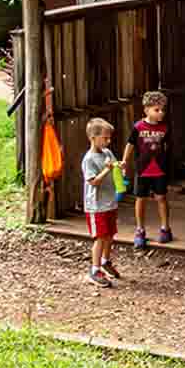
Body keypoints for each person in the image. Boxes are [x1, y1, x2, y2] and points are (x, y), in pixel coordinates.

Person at [123, 90, 175, 246]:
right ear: (146, 110)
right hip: (142, 169)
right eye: (157, 110)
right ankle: (140, 230)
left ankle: (165, 228)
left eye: (162, 110)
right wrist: (125, 160)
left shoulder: (165, 128)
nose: (161, 113)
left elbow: (167, 147)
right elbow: (130, 144)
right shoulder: (138, 127)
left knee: (161, 198)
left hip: (159, 169)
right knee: (141, 199)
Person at [80, 118, 124, 288]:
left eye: (109, 138)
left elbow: (114, 166)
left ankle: (106, 261)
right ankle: (94, 269)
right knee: (100, 237)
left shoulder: (107, 153)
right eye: (105, 138)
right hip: (96, 205)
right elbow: (94, 182)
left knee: (110, 234)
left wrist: (120, 166)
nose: (108, 141)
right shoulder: (89, 159)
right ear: (93, 137)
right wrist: (107, 169)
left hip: (110, 202)